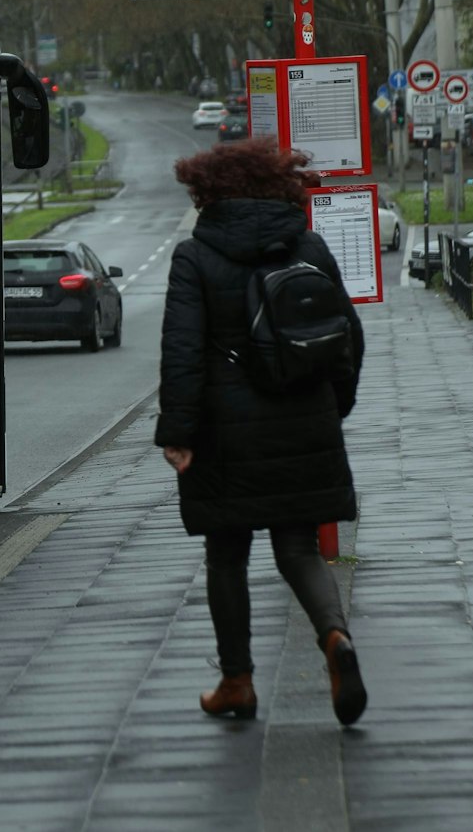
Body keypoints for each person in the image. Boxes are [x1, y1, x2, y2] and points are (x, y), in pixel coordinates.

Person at [155, 135, 368, 726]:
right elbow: (347, 337)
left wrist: (179, 432)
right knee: (299, 548)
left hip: (225, 437)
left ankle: (237, 682)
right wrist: (333, 408)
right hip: (306, 422)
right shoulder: (309, 247)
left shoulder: (195, 258)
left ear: (208, 192)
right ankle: (334, 638)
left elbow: (183, 354)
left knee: (226, 555)